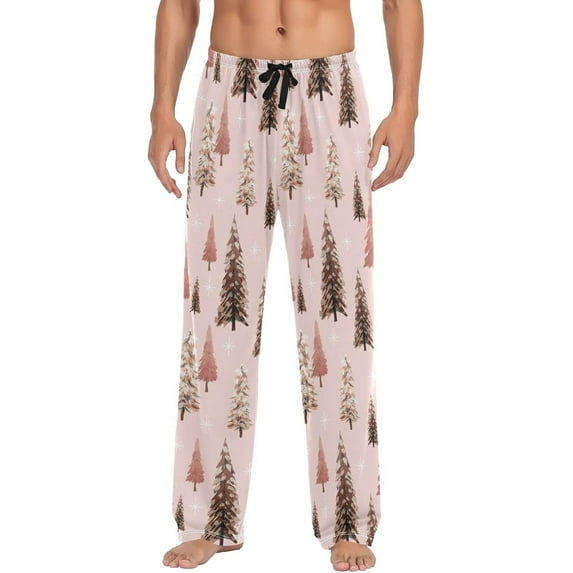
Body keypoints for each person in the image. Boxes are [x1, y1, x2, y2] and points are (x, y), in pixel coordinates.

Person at [148, 0, 423, 570]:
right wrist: (161, 109)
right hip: (229, 86)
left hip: (329, 87)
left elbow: (400, 3)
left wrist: (406, 108)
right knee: (213, 314)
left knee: (340, 316)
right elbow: (179, 3)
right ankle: (208, 520)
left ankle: (348, 520)